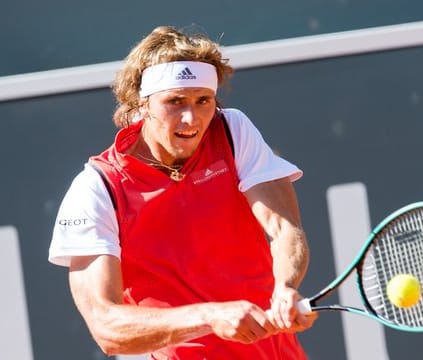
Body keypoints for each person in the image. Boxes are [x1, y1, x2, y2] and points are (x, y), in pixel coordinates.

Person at [48, 25, 316, 359]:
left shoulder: (232, 131)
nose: (191, 118)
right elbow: (106, 326)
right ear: (141, 104)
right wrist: (209, 316)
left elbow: (285, 228)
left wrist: (285, 288)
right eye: (174, 102)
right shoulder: (97, 188)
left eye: (203, 100)